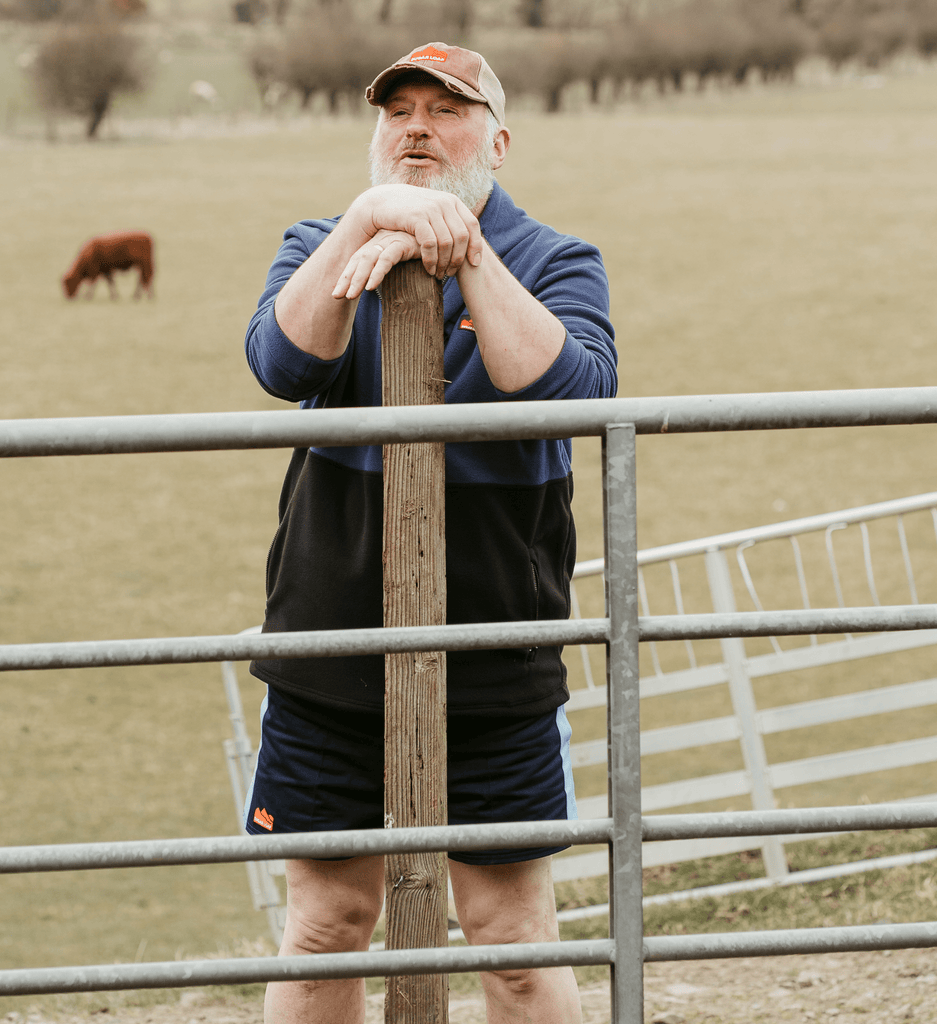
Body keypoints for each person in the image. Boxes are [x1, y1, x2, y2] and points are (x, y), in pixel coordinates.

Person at [242, 41, 617, 1024]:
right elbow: (280, 360)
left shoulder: (558, 261)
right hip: (330, 651)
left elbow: (573, 397)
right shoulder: (319, 242)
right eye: (397, 109)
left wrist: (471, 252)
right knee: (325, 927)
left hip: (497, 653)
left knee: (514, 942)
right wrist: (368, 219)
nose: (417, 128)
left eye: (446, 110)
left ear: (497, 138)